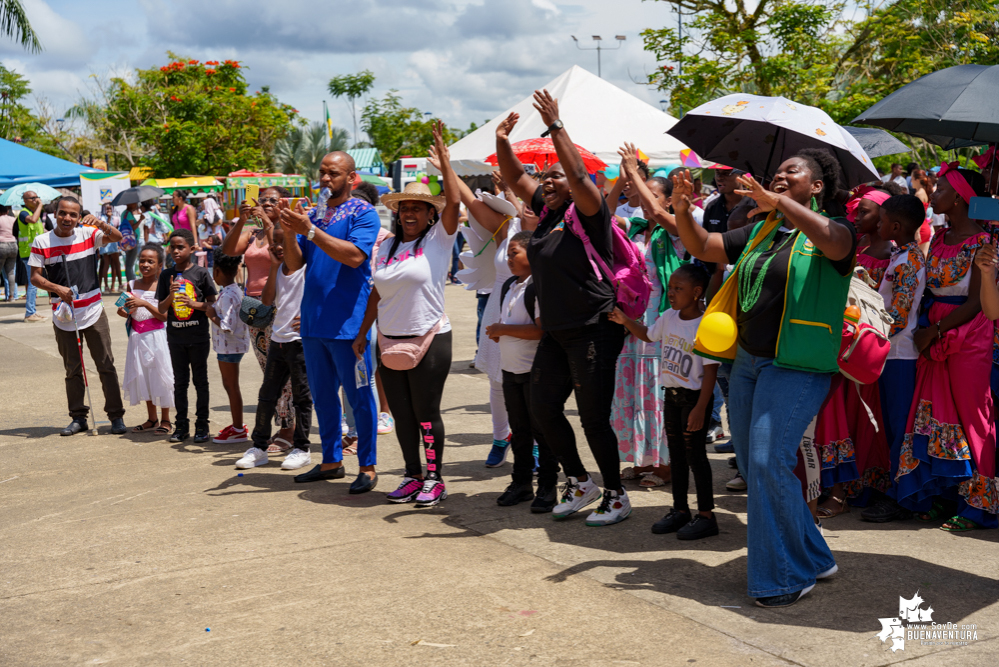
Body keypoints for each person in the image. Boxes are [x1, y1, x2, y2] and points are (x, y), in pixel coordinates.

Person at [672, 147, 857, 607]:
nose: (778, 176)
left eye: (791, 172)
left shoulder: (834, 232)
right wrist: (680, 208)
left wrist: (781, 206)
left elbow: (837, 244)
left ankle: (783, 578)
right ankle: (813, 556)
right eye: (776, 172)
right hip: (750, 362)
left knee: (765, 462)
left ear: (815, 187)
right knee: (762, 467)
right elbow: (703, 247)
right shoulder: (762, 231)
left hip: (795, 364)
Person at [495, 91, 630, 527]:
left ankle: (615, 494)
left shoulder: (589, 211)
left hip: (594, 328)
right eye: (545, 178)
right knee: (542, 408)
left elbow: (577, 173)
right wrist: (502, 140)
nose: (548, 183)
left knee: (593, 417)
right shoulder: (549, 216)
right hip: (556, 330)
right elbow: (516, 177)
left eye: (556, 178)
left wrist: (556, 125)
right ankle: (578, 481)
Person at [354, 121, 459, 507]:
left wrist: (445, 163)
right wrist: (361, 333)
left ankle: (435, 478)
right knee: (401, 413)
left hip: (430, 337)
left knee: (426, 412)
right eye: (405, 208)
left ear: (431, 214)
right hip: (389, 338)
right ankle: (412, 476)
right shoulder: (386, 248)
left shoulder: (438, 240)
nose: (410, 213)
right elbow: (375, 294)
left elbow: (456, 204)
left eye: (418, 208)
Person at [895, 164, 996, 532]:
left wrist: (935, 331)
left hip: (969, 333)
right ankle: (943, 492)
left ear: (958, 199)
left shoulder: (986, 243)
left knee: (973, 416)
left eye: (939, 191)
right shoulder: (938, 238)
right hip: (933, 331)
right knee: (936, 412)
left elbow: (974, 302)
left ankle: (979, 506)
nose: (932, 196)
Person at [278, 151, 381, 494]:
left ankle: (367, 466)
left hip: (349, 325)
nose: (324, 179)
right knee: (323, 397)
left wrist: (309, 229)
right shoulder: (317, 213)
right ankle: (331, 462)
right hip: (313, 323)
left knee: (360, 397)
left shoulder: (364, 213)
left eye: (333, 173)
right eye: (321, 172)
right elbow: (294, 266)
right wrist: (290, 233)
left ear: (351, 178)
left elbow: (354, 257)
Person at [611, 263, 721, 539]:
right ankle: (680, 510)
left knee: (695, 456)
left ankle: (706, 516)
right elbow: (648, 335)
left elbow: (710, 372)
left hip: (694, 399)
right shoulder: (668, 317)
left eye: (678, 289)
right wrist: (626, 322)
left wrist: (700, 408)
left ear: (697, 292)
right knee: (677, 457)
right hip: (671, 397)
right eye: (670, 287)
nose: (671, 293)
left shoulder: (705, 324)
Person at [28, 196, 127, 435]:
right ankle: (78, 416)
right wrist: (57, 289)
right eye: (63, 213)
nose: (67, 218)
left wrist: (101, 224)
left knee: (105, 364)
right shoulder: (42, 241)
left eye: (73, 214)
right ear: (55, 214)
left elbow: (117, 238)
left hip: (93, 311)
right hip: (63, 315)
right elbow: (35, 277)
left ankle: (116, 416)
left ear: (79, 215)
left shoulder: (88, 234)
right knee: (73, 368)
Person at [613, 152, 681, 488]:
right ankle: (644, 459)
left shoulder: (677, 231)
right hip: (632, 323)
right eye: (643, 193)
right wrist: (621, 178)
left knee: (658, 394)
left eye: (655, 194)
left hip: (662, 324)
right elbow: (603, 214)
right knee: (636, 393)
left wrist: (633, 172)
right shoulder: (636, 230)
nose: (645, 199)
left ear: (668, 201)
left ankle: (665, 465)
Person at [861, 195, 927, 522]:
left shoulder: (908, 261)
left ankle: (901, 498)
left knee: (900, 428)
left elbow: (898, 317)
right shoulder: (900, 256)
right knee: (888, 427)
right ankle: (888, 489)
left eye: (882, 219)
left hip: (899, 356)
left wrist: (866, 334)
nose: (877, 224)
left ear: (895, 227)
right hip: (891, 354)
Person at [485, 230, 560, 511]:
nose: (509, 259)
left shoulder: (538, 287)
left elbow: (543, 330)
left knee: (542, 430)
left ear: (533, 254)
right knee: (519, 429)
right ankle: (521, 482)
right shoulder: (510, 286)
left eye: (514, 252)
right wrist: (501, 333)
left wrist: (503, 330)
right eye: (507, 254)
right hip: (510, 370)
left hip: (534, 371)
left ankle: (548, 486)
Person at [463, 172, 530, 467]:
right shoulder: (508, 228)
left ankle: (535, 442)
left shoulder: (555, 234)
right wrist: (447, 167)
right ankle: (501, 437)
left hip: (532, 311)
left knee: (531, 384)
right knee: (497, 381)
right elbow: (469, 201)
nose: (528, 204)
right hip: (498, 309)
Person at [225, 186, 298, 452]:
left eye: (272, 200)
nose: (266, 202)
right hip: (256, 308)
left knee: (285, 372)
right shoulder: (253, 233)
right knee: (268, 371)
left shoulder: (286, 230)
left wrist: (267, 220)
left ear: (283, 203)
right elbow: (229, 250)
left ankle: (288, 429)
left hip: (281, 306)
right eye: (263, 198)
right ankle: (285, 424)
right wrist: (243, 220)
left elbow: (287, 258)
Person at [235, 224, 313, 471]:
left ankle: (301, 448)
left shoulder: (306, 269)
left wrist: (311, 318)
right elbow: (267, 301)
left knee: (302, 397)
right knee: (267, 394)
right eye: (274, 243)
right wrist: (275, 266)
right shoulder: (278, 269)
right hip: (278, 339)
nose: (278, 247)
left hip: (299, 342)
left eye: (283, 241)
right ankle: (259, 447)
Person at [156, 228, 217, 444]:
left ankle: (202, 424)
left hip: (198, 337)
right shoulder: (165, 275)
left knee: (201, 381)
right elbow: (162, 309)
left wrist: (193, 304)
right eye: (172, 247)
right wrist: (171, 295)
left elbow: (212, 305)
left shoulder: (201, 274)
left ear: (192, 249)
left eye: (180, 247)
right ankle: (181, 425)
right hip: (176, 338)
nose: (175, 251)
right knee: (179, 382)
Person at [118, 243, 174, 434]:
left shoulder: (163, 285)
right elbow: (122, 310)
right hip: (137, 337)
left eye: (151, 261)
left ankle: (166, 419)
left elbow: (164, 316)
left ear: (160, 266)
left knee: (160, 375)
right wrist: (125, 310)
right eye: (142, 260)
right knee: (144, 376)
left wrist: (143, 303)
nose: (145, 264)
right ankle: (152, 418)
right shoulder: (132, 284)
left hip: (157, 336)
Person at [207, 249, 251, 444]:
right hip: (229, 347)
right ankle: (237, 425)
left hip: (229, 348)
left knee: (231, 386)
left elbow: (227, 325)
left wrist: (211, 314)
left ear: (216, 271)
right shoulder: (231, 290)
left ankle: (239, 428)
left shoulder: (228, 295)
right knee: (229, 385)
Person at [17, 190, 51, 322]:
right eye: (32, 198)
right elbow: (33, 220)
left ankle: (32, 312)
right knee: (33, 283)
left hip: (36, 252)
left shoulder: (34, 212)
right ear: (25, 201)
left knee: (34, 283)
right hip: (28, 252)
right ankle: (30, 313)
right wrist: (40, 205)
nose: (36, 200)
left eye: (37, 197)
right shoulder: (24, 213)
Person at [98, 203, 123, 294]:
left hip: (114, 243)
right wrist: (108, 218)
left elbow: (117, 231)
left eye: (110, 208)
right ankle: (106, 286)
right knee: (106, 264)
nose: (109, 210)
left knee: (116, 264)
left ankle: (115, 285)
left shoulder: (116, 218)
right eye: (107, 209)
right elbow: (105, 229)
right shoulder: (101, 218)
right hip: (105, 242)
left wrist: (120, 243)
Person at [119, 203, 142, 283]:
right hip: (132, 242)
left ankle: (131, 282)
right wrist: (140, 220)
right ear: (130, 203)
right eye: (135, 203)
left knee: (129, 264)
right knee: (129, 265)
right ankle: (131, 284)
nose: (136, 204)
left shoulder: (125, 213)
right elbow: (133, 228)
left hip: (128, 242)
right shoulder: (128, 213)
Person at [0, 205, 18, 301]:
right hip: (13, 245)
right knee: (11, 272)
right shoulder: (13, 219)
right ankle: (11, 296)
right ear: (7, 211)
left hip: (1, 245)